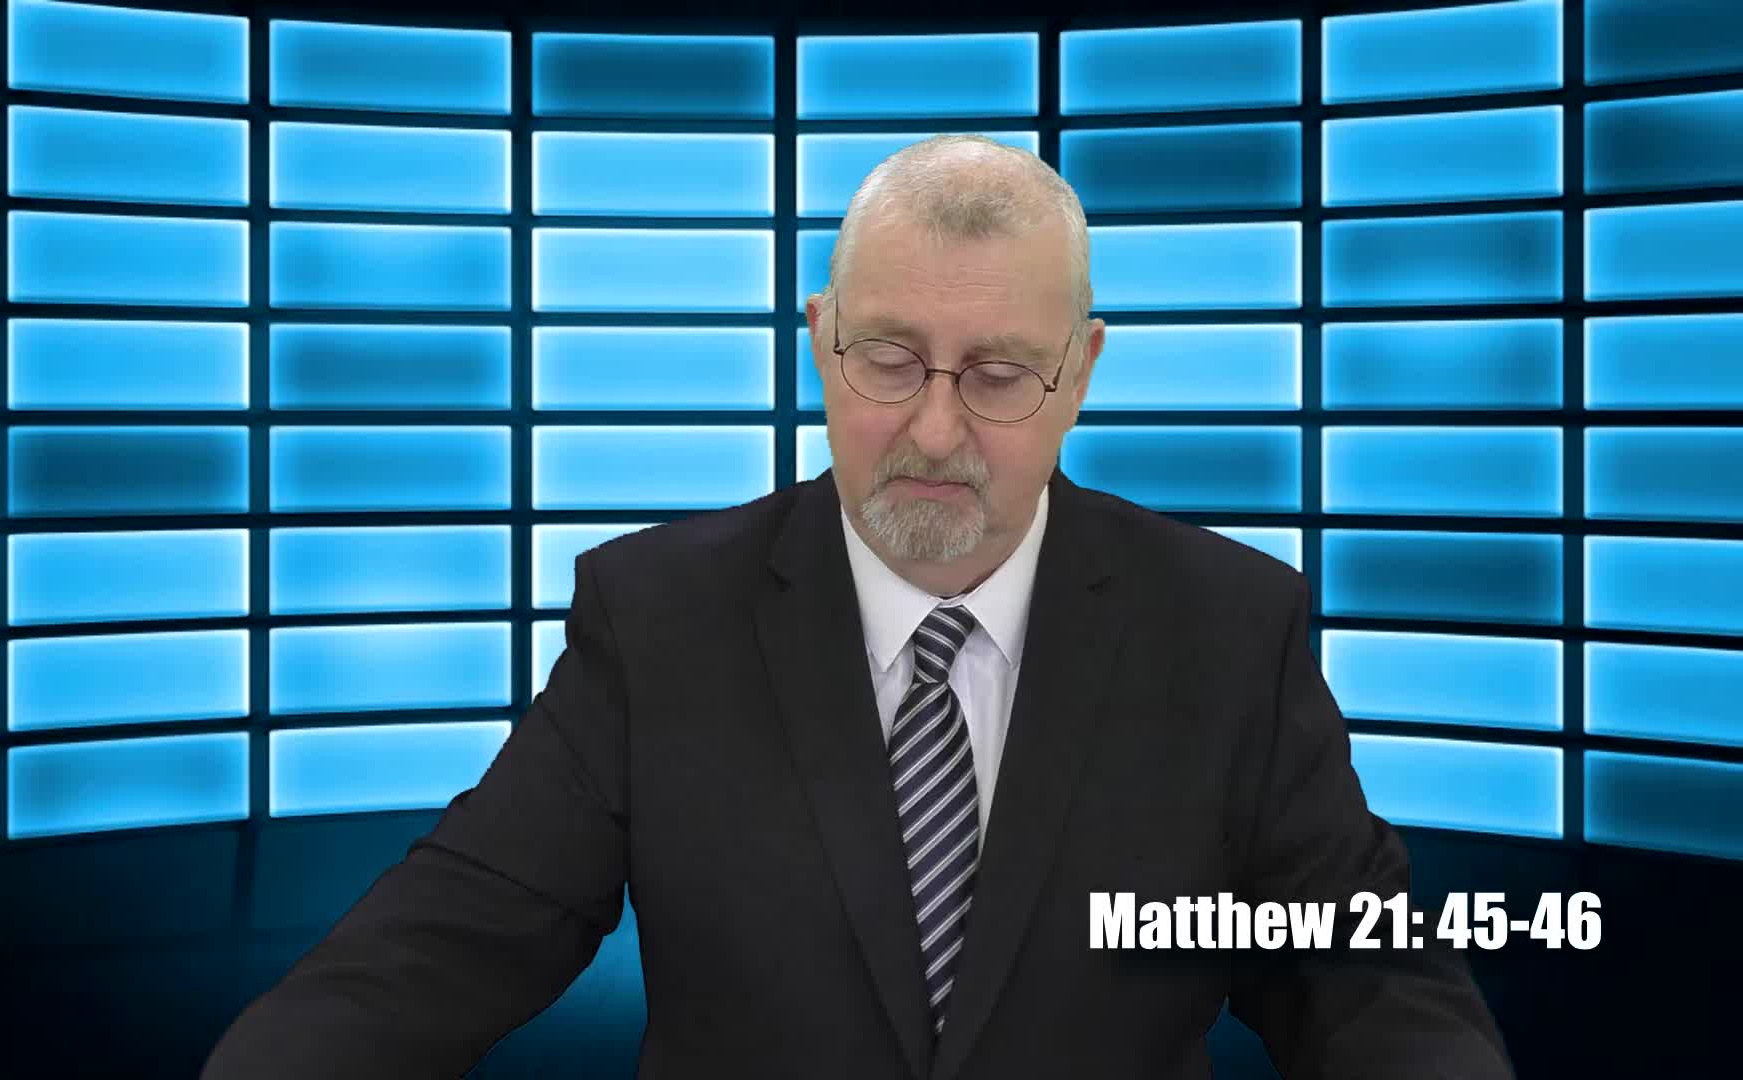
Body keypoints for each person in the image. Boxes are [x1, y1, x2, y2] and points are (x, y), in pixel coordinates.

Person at [202, 134, 1515, 1079]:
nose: (933, 431)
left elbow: (1365, 973)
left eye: (997, 375)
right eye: (888, 361)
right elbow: (447, 940)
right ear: (820, 337)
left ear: (1081, 372)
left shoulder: (1229, 629)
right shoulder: (656, 618)